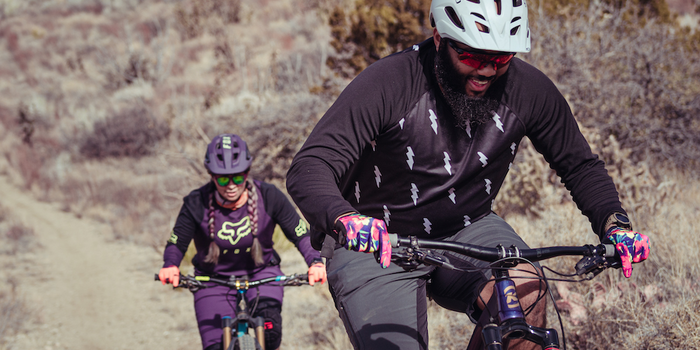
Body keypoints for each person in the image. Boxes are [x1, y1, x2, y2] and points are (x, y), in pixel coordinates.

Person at [285, 0, 650, 349]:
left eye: (501, 57)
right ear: (441, 38)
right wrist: (346, 219)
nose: (487, 70)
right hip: (374, 238)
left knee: (528, 289)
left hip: (468, 226)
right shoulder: (389, 81)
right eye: (473, 55)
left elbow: (579, 165)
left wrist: (614, 226)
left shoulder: (529, 90)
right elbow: (311, 165)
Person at [158, 133, 327, 350]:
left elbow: (300, 233)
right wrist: (170, 265)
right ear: (211, 176)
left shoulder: (270, 196)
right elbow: (176, 242)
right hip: (212, 281)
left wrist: (315, 262)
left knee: (270, 332)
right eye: (222, 178)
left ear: (247, 173)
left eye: (237, 177)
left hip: (262, 274)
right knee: (215, 346)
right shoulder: (195, 202)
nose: (231, 185)